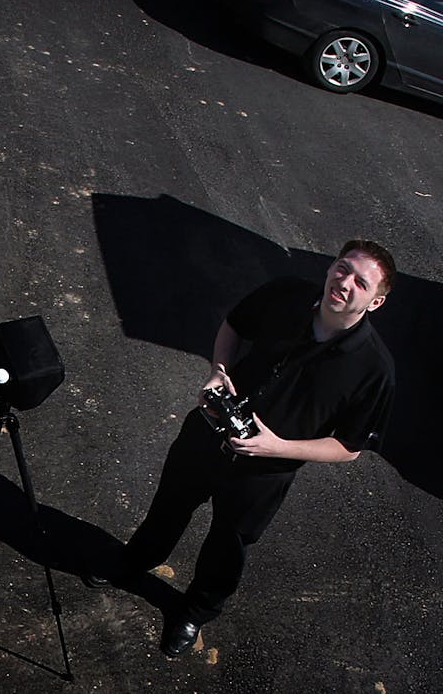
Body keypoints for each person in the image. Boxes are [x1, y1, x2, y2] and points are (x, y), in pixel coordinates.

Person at [92, 239, 396, 657]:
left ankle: (194, 611)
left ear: (375, 302)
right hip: (206, 434)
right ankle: (133, 562)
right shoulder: (287, 293)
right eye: (342, 269)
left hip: (262, 474)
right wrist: (219, 370)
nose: (344, 283)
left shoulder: (375, 369)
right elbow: (234, 326)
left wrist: (279, 447)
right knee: (168, 507)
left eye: (360, 282)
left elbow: (349, 446)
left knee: (227, 547)